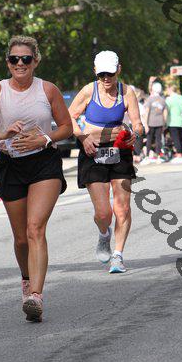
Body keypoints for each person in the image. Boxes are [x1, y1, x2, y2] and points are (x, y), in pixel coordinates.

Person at [0, 35, 72, 322]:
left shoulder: (48, 89)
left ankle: (36, 296)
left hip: (44, 164)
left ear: (35, 61)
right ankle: (27, 279)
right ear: (8, 63)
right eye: (14, 59)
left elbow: (66, 127)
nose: (20, 63)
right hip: (11, 165)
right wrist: (2, 134)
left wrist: (44, 138)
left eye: (26, 59)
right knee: (20, 239)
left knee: (35, 228)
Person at [69, 50, 143, 273]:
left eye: (110, 73)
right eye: (101, 74)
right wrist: (83, 138)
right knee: (103, 213)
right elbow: (69, 117)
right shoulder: (88, 91)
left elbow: (138, 124)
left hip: (120, 150)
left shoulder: (127, 92)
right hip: (93, 151)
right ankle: (104, 234)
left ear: (118, 69)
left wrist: (135, 134)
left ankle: (118, 255)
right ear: (95, 72)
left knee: (122, 208)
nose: (106, 78)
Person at [142, 81, 167, 164]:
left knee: (149, 139)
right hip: (160, 123)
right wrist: (164, 123)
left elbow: (146, 112)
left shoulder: (149, 99)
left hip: (150, 123)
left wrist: (145, 124)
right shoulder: (162, 100)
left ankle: (147, 157)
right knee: (158, 140)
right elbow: (165, 113)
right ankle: (159, 157)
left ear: (153, 89)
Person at [165, 85, 182, 164]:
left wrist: (164, 121)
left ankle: (179, 155)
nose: (167, 91)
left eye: (167, 89)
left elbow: (166, 110)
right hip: (181, 120)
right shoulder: (181, 98)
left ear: (170, 89)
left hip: (172, 121)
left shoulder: (169, 99)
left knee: (175, 139)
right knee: (180, 138)